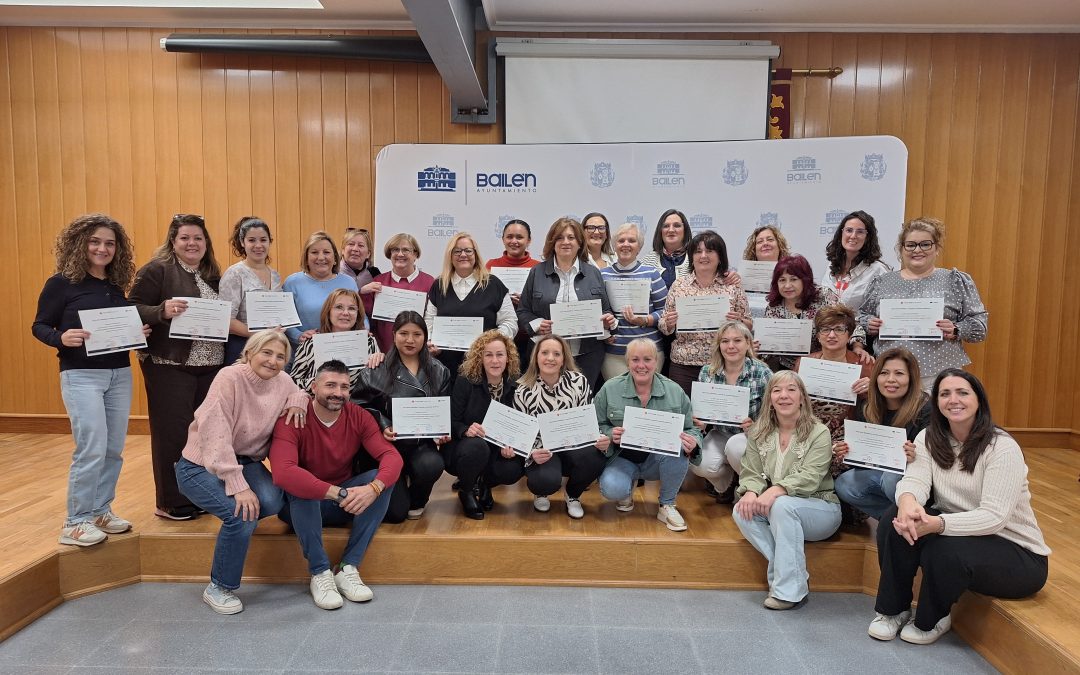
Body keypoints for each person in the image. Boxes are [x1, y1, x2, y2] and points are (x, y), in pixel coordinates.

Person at [869, 370, 1049, 644]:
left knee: (942, 546)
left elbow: (994, 517)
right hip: (963, 533)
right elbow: (915, 480)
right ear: (937, 402)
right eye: (945, 394)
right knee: (894, 520)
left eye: (962, 392)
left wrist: (939, 525)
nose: (954, 400)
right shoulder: (929, 437)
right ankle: (893, 611)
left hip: (1016, 552)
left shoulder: (1002, 447)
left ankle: (932, 619)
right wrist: (907, 502)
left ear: (979, 400)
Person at [32, 213, 148, 546]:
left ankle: (100, 510)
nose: (102, 248)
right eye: (95, 241)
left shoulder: (113, 286)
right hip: (81, 376)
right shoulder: (60, 284)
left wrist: (134, 332)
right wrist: (60, 338)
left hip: (119, 374)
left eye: (109, 243)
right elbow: (40, 325)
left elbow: (115, 329)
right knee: (92, 447)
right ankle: (75, 521)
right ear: (80, 244)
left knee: (113, 449)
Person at [174, 330, 308, 614]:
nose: (273, 361)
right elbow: (216, 432)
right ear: (249, 353)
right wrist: (238, 486)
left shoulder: (283, 381)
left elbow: (297, 391)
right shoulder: (229, 378)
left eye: (280, 356)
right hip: (200, 464)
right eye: (266, 353)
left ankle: (230, 520)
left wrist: (299, 399)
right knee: (242, 515)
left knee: (272, 501)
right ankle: (220, 586)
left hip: (245, 461)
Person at [270, 360, 403, 610]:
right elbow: (283, 473)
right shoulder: (293, 418)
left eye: (344, 386)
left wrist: (372, 488)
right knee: (300, 483)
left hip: (342, 502)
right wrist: (336, 493)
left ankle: (347, 567)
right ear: (313, 387)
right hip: (301, 507)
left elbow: (392, 457)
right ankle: (320, 572)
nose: (338, 393)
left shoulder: (358, 416)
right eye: (330, 385)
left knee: (381, 478)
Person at [130, 214, 224, 521]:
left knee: (204, 434)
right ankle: (172, 502)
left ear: (206, 242)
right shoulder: (157, 270)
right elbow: (131, 307)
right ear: (173, 241)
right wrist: (162, 310)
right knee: (173, 434)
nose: (192, 243)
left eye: (198, 238)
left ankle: (201, 495)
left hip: (209, 365)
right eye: (185, 237)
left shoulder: (211, 275)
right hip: (169, 363)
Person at [733, 370, 840, 610]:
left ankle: (789, 592)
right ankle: (790, 572)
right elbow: (751, 470)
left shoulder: (819, 432)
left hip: (820, 509)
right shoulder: (759, 431)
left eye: (791, 389)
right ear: (769, 398)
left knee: (781, 505)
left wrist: (776, 489)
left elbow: (811, 477)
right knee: (742, 510)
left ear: (802, 397)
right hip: (782, 509)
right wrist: (751, 491)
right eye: (777, 390)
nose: (784, 396)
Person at [859, 217, 989, 391]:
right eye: (911, 245)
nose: (917, 250)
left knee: (934, 419)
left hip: (938, 375)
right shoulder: (881, 282)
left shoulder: (954, 280)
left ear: (936, 248)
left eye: (925, 244)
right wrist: (869, 324)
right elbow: (860, 317)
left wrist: (956, 329)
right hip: (890, 376)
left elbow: (980, 328)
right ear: (901, 249)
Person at [352, 311, 450, 523]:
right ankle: (398, 486)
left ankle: (418, 499)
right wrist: (383, 424)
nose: (410, 340)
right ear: (394, 335)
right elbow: (357, 405)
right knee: (396, 514)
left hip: (420, 444)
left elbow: (443, 409)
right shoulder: (375, 369)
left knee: (431, 464)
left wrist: (442, 431)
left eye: (417, 334)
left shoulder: (439, 371)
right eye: (404, 333)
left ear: (425, 337)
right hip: (385, 446)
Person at [595, 338, 702, 531]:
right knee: (612, 489)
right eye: (635, 360)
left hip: (658, 460)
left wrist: (693, 441)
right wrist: (610, 433)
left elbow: (691, 427)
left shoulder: (674, 391)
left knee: (679, 446)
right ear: (627, 362)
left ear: (656, 361)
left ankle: (667, 504)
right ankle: (627, 487)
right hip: (622, 458)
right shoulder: (610, 389)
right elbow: (596, 425)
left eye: (647, 359)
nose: (641, 365)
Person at [504, 335, 609, 519]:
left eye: (556, 354)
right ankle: (541, 493)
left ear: (563, 359)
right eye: (544, 353)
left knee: (596, 458)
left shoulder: (579, 382)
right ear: (536, 357)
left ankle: (573, 495)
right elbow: (521, 434)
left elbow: (588, 419)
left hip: (573, 445)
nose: (550, 358)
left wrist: (599, 437)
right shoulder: (523, 389)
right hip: (542, 449)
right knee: (544, 481)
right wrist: (532, 453)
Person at [517, 217, 618, 393]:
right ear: (552, 242)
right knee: (544, 403)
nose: (566, 242)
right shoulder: (537, 272)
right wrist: (537, 324)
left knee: (581, 407)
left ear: (580, 243)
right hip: (545, 356)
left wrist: (609, 321)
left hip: (586, 355)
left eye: (571, 238)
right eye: (560, 238)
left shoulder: (593, 272)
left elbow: (606, 310)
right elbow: (523, 311)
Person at [833, 347, 930, 520]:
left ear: (911, 379)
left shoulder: (925, 408)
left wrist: (916, 454)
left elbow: (933, 457)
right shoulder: (866, 408)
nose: (890, 380)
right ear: (876, 377)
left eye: (899, 373)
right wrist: (849, 452)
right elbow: (864, 465)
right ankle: (896, 520)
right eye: (884, 373)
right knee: (844, 484)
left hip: (914, 476)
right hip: (880, 474)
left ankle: (913, 516)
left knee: (892, 479)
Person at [659, 230, 750, 396]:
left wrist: (739, 321)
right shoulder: (679, 285)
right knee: (685, 416)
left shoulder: (732, 285)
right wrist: (669, 323)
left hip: (723, 364)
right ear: (691, 257)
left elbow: (749, 326)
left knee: (717, 416)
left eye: (709, 251)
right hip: (683, 364)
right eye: (698, 251)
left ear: (720, 256)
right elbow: (663, 326)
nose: (703, 256)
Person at [691, 321, 772, 504]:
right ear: (719, 345)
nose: (731, 346)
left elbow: (774, 413)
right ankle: (726, 485)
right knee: (699, 463)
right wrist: (700, 423)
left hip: (751, 436)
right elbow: (701, 413)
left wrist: (755, 425)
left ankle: (750, 490)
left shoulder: (762, 372)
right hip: (720, 432)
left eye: (737, 340)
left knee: (736, 446)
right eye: (725, 341)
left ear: (748, 343)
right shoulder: (707, 372)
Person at [445, 330, 520, 519]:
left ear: (508, 358)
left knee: (513, 468)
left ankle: (486, 483)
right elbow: (451, 420)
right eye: (489, 355)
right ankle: (467, 490)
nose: (495, 361)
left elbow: (519, 424)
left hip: (496, 448)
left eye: (500, 355)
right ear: (480, 357)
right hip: (466, 447)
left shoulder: (516, 385)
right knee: (477, 447)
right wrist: (465, 429)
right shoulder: (466, 381)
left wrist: (513, 444)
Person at [425, 233, 516, 381]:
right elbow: (429, 320)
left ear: (475, 254)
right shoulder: (439, 285)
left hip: (485, 368)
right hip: (445, 368)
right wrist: (430, 341)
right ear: (450, 255)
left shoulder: (493, 284)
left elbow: (510, 321)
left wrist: (492, 344)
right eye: (457, 251)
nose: (463, 255)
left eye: (468, 250)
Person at [762, 254, 868, 372]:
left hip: (826, 362)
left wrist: (857, 347)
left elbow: (851, 322)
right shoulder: (773, 307)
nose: (787, 285)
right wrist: (759, 347)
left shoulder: (823, 296)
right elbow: (768, 348)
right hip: (786, 368)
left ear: (805, 280)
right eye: (782, 280)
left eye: (793, 279)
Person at [794, 305, 873, 445]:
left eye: (839, 329)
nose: (831, 335)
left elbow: (877, 407)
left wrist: (871, 389)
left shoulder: (864, 364)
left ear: (849, 335)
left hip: (846, 436)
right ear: (818, 336)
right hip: (807, 430)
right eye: (825, 329)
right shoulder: (804, 363)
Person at [599, 222, 668, 381]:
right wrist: (605, 330)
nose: (626, 245)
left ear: (639, 246)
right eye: (621, 241)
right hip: (614, 353)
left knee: (647, 401)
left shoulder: (652, 274)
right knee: (618, 401)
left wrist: (644, 320)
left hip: (649, 352)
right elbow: (598, 312)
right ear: (614, 245)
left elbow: (665, 311)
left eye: (631, 240)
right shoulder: (602, 275)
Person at [218, 216, 283, 365]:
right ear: (242, 242)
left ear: (270, 242)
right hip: (242, 348)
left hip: (271, 348)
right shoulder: (235, 273)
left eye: (263, 240)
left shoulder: (275, 275)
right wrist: (261, 335)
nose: (258, 245)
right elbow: (226, 320)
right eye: (252, 240)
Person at [289, 289, 380, 392]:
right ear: (328, 311)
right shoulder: (310, 342)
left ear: (358, 314)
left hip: (356, 405)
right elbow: (293, 382)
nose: (345, 313)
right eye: (339, 307)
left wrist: (381, 361)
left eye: (351, 308)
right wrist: (320, 384)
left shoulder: (368, 342)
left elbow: (376, 383)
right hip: (317, 404)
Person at [283, 231, 358, 347]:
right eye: (314, 252)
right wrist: (298, 335)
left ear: (335, 258)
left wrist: (364, 331)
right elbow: (285, 319)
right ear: (306, 257)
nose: (321, 257)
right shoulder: (292, 282)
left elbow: (359, 315)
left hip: (343, 348)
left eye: (326, 252)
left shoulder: (348, 282)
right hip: (304, 351)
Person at [486, 218, 541, 371]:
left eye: (519, 237)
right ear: (503, 239)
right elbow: (483, 300)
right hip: (499, 336)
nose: (514, 241)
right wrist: (503, 300)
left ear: (529, 240)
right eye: (509, 237)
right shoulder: (491, 265)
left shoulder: (538, 267)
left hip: (530, 337)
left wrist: (526, 300)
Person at [368, 233, 435, 352]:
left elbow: (433, 320)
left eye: (406, 250)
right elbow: (369, 319)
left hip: (418, 353)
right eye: (395, 250)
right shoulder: (378, 282)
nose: (400, 254)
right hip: (384, 353)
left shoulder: (430, 282)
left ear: (415, 254)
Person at [821, 210, 891, 313]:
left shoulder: (879, 271)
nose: (853, 236)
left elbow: (885, 310)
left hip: (861, 328)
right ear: (841, 233)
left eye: (860, 232)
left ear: (868, 238)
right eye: (849, 230)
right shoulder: (832, 265)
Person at [640, 209, 692, 288]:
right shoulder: (646, 262)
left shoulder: (695, 259)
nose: (671, 230)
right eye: (666, 226)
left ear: (685, 230)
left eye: (677, 225)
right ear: (660, 231)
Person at [338, 227, 381, 319]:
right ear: (342, 250)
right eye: (351, 244)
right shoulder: (333, 272)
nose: (355, 249)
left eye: (361, 246)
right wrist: (360, 292)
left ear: (368, 254)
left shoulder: (375, 273)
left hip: (367, 326)